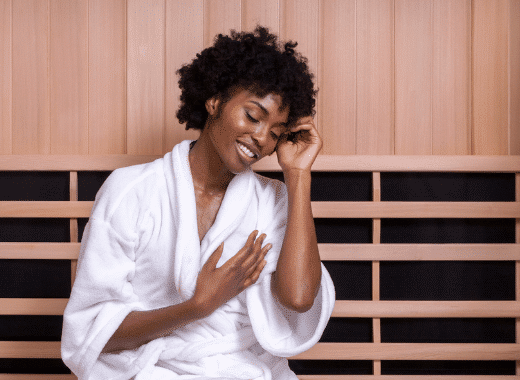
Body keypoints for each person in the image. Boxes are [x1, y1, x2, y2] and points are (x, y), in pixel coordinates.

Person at [60, 26, 335, 380]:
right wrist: (197, 306)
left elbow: (298, 298)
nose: (262, 139)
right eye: (253, 116)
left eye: (278, 133)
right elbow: (93, 334)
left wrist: (297, 175)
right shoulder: (131, 191)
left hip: (242, 369)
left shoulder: (273, 201)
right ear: (215, 101)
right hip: (151, 370)